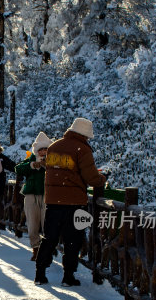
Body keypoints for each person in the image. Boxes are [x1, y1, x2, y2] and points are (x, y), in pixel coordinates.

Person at [34, 118, 106, 287]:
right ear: (84, 135)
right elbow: (91, 177)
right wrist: (102, 179)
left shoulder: (54, 146)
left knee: (49, 238)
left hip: (53, 201)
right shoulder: (82, 149)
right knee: (72, 239)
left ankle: (40, 273)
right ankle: (68, 276)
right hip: (74, 202)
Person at [14, 131, 52, 260]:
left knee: (46, 224)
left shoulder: (53, 160)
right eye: (41, 149)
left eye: (46, 149)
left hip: (47, 196)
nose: (43, 152)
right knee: (32, 225)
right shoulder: (31, 159)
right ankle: (35, 248)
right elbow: (18, 169)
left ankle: (47, 250)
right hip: (30, 195)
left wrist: (47, 166)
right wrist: (32, 165)